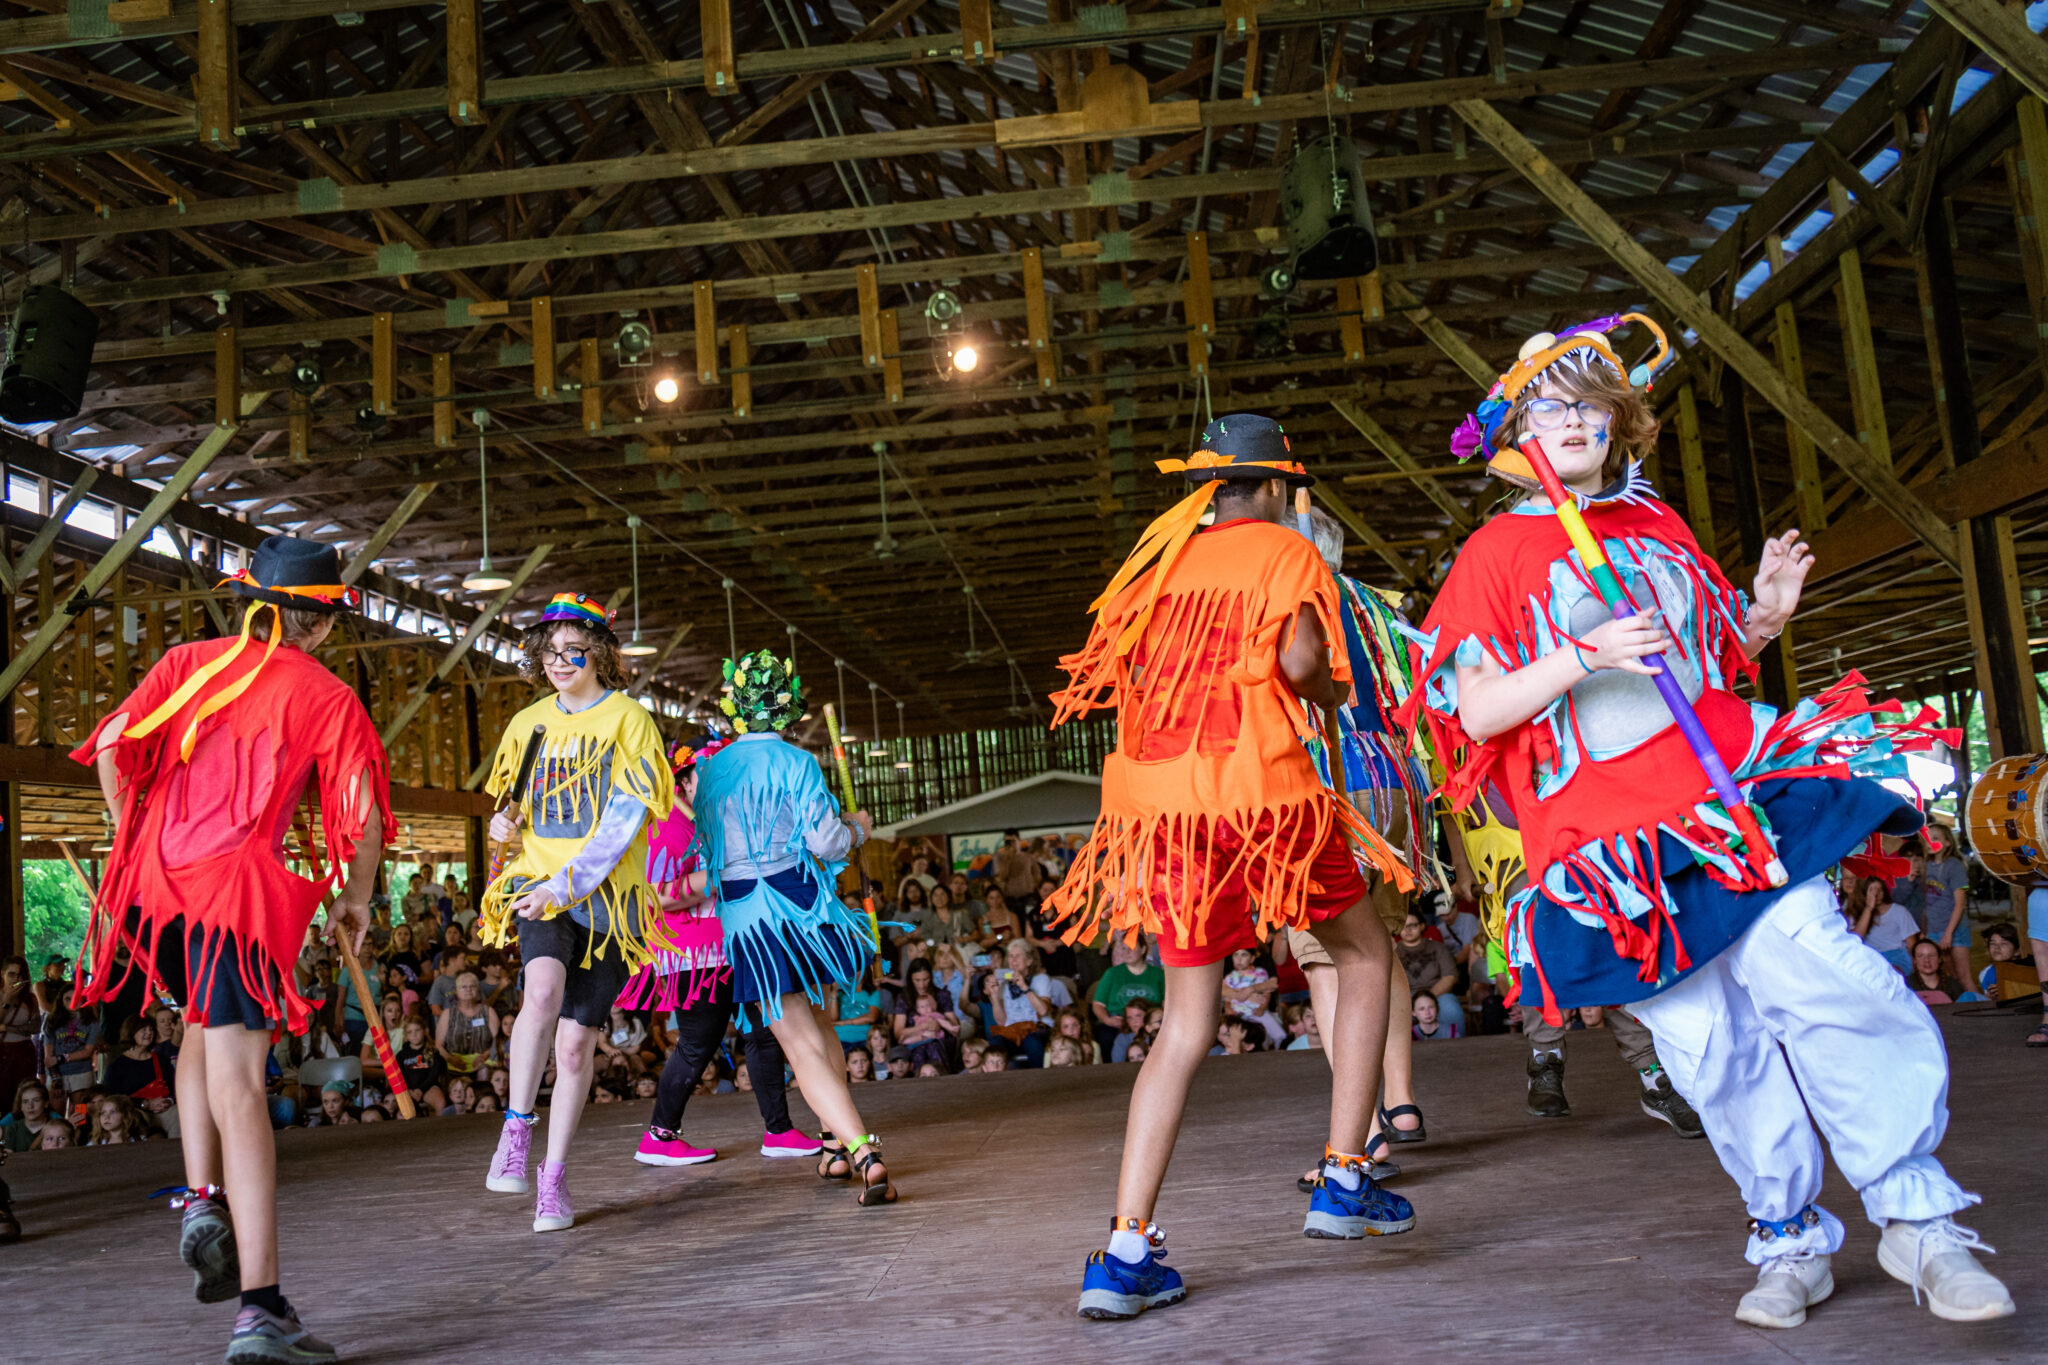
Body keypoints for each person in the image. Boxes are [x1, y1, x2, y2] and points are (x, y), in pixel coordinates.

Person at [1404, 316, 2008, 1329]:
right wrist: (1581, 657)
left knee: (1818, 972)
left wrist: (1763, 614)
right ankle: (1785, 1238)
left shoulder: (1655, 525)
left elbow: (1703, 663)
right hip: (1607, 849)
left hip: (1726, 801)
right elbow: (1471, 712)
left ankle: (1919, 1217)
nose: (1573, 420)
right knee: (1707, 1047)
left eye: (1592, 403)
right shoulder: (1493, 555)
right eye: (1550, 403)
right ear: (1517, 425)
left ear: (1617, 422)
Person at [1046, 414, 1416, 1320]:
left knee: (1184, 1023)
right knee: (1364, 955)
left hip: (1163, 811)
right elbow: (1295, 661)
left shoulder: (1155, 565)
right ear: (1280, 486)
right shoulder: (1288, 551)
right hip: (1263, 796)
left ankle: (1126, 1248)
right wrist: (1329, 687)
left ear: (1206, 489)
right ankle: (1344, 1175)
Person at [70, 534, 388, 1361]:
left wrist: (128, 828)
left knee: (199, 1034)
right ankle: (261, 1307)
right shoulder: (325, 694)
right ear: (319, 625)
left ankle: (202, 1197)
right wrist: (354, 902)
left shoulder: (186, 661)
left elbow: (111, 743)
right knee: (244, 1084)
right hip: (235, 896)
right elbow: (361, 813)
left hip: (157, 891)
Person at [477, 593, 673, 1233]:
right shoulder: (527, 724)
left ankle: (553, 1180)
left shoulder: (630, 721)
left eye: (574, 650)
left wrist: (567, 885)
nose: (560, 662)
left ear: (600, 653)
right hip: (538, 885)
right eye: (550, 652)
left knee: (575, 1045)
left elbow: (623, 824)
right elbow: (512, 810)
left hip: (608, 902)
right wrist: (502, 826)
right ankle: (514, 1128)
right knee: (540, 991)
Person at [691, 647, 897, 1205]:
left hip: (748, 915)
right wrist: (857, 830)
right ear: (788, 711)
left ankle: (857, 1150)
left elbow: (707, 850)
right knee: (819, 1028)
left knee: (800, 1040)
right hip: (802, 906)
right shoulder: (797, 762)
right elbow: (826, 843)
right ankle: (843, 1146)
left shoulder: (710, 771)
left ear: (735, 708)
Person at [631, 734, 819, 1168]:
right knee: (699, 1042)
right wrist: (721, 877)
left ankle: (779, 1130)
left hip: (736, 943)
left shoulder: (716, 820)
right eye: (710, 775)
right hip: (694, 954)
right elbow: (656, 895)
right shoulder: (668, 825)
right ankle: (660, 1135)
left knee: (762, 1030)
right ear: (684, 779)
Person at [1901, 836, 1973, 991]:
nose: (1914, 862)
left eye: (1935, 838)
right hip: (1933, 929)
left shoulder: (1953, 865)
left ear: (1947, 843)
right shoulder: (1925, 870)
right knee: (1947, 974)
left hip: (1953, 929)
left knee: (1963, 977)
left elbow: (1960, 903)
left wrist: (1948, 933)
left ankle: (1978, 1008)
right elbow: (1924, 905)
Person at [1086, 936, 1165, 1061]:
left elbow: (1167, 1003)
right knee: (1104, 1034)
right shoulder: (1112, 973)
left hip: (1150, 1022)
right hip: (1118, 1022)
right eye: (1123, 948)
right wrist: (1107, 1020)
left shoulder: (1158, 974)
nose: (1126, 952)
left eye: (1131, 948)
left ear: (1143, 949)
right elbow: (1098, 1005)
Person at [433, 974, 498, 1076]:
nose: (468, 989)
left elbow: (498, 1041)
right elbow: (438, 1045)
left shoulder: (489, 1012)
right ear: (457, 991)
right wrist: (451, 1059)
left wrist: (484, 1056)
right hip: (453, 1064)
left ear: (478, 990)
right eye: (464, 987)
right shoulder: (447, 1013)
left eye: (472, 986)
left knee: (484, 1072)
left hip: (483, 1063)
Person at [1852, 877, 1919, 969]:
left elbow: (1912, 945)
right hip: (1871, 958)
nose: (1876, 894)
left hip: (1897, 957)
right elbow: (1855, 938)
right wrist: (1868, 908)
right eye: (1872, 890)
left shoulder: (1899, 911)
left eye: (1879, 890)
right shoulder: (1856, 913)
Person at [0, 956, 40, 1111]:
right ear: (2, 973)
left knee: (24, 1094)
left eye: (20, 974)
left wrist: (6, 1028)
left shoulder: (30, 998)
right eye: (11, 974)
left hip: (24, 1051)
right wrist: (7, 1001)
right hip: (3, 1051)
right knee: (3, 1096)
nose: (16, 978)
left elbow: (35, 1027)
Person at [1902, 937, 1971, 1006]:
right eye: (1921, 956)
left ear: (1939, 959)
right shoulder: (1906, 985)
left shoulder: (1952, 984)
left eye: (1931, 956)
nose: (1927, 960)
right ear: (1914, 960)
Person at [3, 1079, 53, 1152]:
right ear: (21, 1106)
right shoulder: (13, 1128)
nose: (30, 1106)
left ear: (46, 1103)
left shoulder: (54, 1128)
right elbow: (10, 1159)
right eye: (25, 1102)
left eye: (36, 1100)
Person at [993, 829, 1041, 902]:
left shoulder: (1029, 857)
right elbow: (1001, 877)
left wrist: (1031, 886)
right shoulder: (1001, 858)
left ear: (1018, 840)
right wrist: (1008, 859)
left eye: (1013, 841)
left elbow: (1037, 875)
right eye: (1007, 842)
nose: (1010, 844)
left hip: (1028, 896)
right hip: (1010, 898)